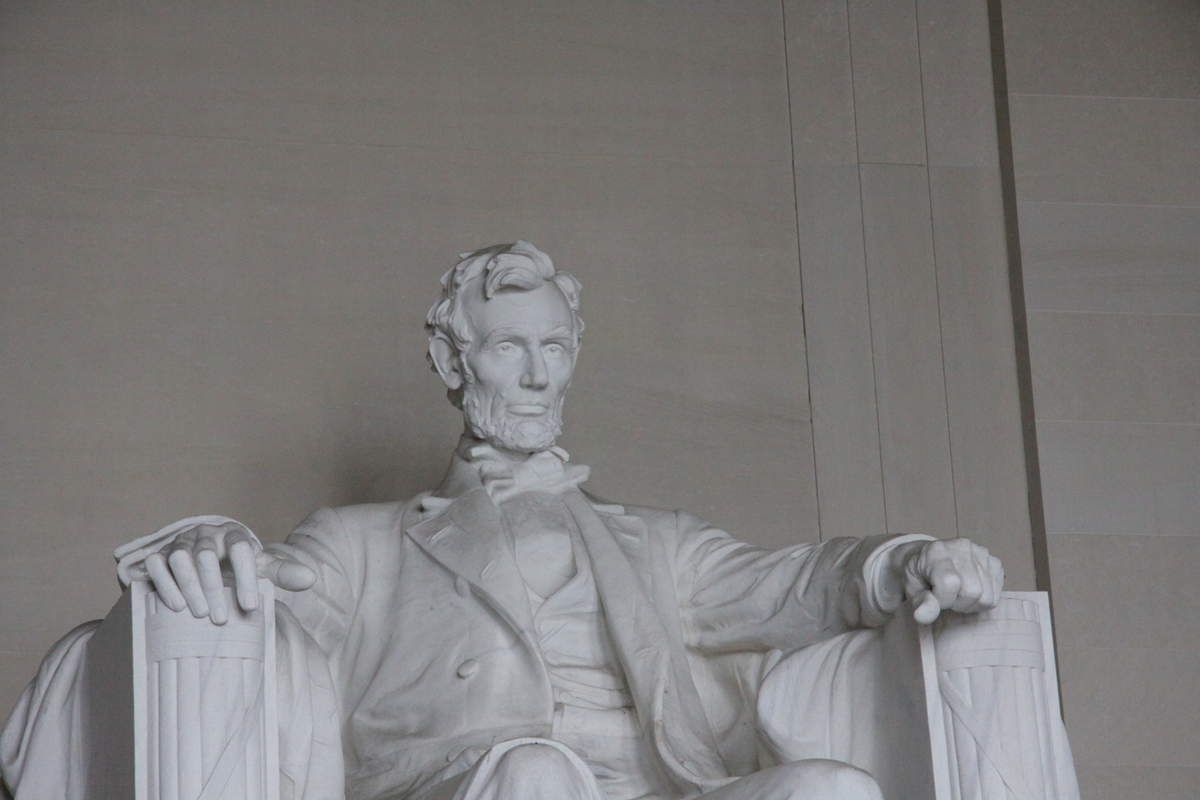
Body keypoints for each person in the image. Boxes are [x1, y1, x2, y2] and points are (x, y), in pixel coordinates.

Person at [2, 242, 1004, 800]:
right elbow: (263, 584)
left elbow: (800, 582)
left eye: (553, 348)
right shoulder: (365, 542)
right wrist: (209, 542)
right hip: (467, 783)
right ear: (453, 361)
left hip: (655, 788)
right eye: (508, 348)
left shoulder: (657, 541)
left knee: (830, 791)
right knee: (535, 773)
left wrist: (910, 563)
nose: (535, 375)